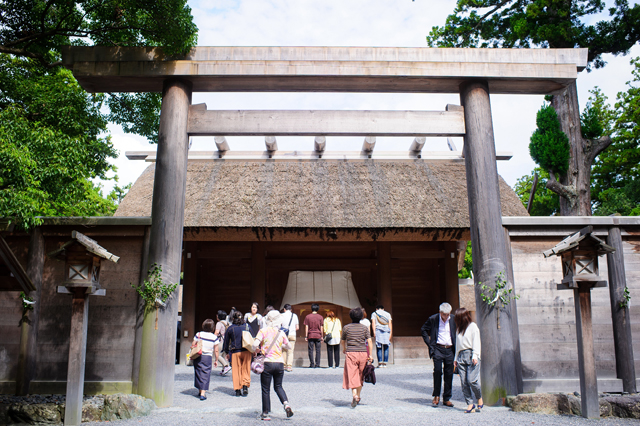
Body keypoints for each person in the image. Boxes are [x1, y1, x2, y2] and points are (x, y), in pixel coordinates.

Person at [252, 310, 294, 420]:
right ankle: (286, 404)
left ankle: (265, 413)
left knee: (266, 389)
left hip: (267, 363)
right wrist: (279, 346)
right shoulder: (281, 333)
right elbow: (289, 346)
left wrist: (256, 350)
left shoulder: (263, 331)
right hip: (279, 363)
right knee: (278, 386)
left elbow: (254, 345)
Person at [421, 302, 456, 407]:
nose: (446, 317)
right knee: (437, 371)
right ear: (440, 312)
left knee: (449, 373)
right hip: (438, 348)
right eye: (444, 314)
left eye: (448, 314)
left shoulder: (453, 319)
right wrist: (430, 343)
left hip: (450, 349)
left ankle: (447, 398)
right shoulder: (433, 319)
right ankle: (436, 395)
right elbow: (423, 329)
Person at [342, 307, 373, 407]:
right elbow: (369, 341)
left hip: (351, 353)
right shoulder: (364, 328)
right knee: (361, 375)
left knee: (352, 374)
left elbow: (342, 341)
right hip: (363, 353)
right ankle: (358, 396)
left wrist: (344, 348)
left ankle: (354, 395)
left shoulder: (346, 327)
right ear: (361, 317)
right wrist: (370, 355)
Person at [453, 307, 483, 413]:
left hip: (471, 355)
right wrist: (455, 358)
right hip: (461, 356)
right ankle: (470, 403)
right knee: (464, 382)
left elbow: (476, 342)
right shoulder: (458, 329)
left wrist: (475, 355)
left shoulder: (473, 326)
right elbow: (458, 345)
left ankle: (479, 398)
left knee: (472, 380)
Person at [223, 311, 252, 397]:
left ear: (233, 319)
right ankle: (245, 386)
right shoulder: (247, 326)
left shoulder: (230, 328)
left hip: (235, 351)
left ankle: (237, 390)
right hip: (246, 351)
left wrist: (227, 352)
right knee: (246, 369)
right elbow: (252, 338)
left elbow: (226, 342)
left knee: (236, 371)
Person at [192, 319, 219, 400]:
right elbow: (216, 350)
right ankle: (203, 394)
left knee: (198, 372)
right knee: (205, 374)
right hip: (207, 357)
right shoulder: (214, 337)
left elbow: (193, 344)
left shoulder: (199, 334)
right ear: (213, 328)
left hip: (198, 356)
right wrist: (216, 360)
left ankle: (200, 391)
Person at [304, 303, 323, 368]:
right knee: (318, 350)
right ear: (318, 309)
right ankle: (317, 364)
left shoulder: (307, 316)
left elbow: (306, 327)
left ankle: (312, 364)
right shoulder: (320, 317)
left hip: (310, 335)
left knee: (310, 350)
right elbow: (321, 327)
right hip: (318, 335)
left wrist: (306, 336)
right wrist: (322, 336)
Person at [280, 304, 299, 372]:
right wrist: (291, 330)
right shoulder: (294, 316)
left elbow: (279, 326)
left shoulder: (281, 315)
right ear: (291, 309)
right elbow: (297, 327)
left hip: (284, 335)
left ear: (284, 309)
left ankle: (284, 365)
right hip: (292, 334)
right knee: (290, 351)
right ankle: (289, 366)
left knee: (284, 350)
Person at [215, 310, 232, 376]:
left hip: (220, 341)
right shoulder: (228, 323)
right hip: (227, 342)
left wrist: (213, 338)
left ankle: (226, 366)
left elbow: (217, 332)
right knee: (224, 355)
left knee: (218, 355)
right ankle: (223, 370)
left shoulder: (219, 323)